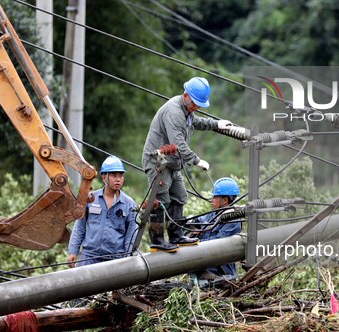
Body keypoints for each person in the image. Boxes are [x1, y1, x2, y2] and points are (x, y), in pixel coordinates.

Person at [142, 77, 232, 252]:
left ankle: (176, 235)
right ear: (185, 95)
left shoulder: (187, 111)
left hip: (173, 163)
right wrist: (197, 161)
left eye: (199, 104)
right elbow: (179, 145)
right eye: (195, 104)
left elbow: (196, 122)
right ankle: (157, 240)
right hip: (158, 163)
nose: (196, 107)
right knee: (160, 200)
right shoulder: (174, 113)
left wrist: (216, 124)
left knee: (180, 196)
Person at [67, 156, 137, 267]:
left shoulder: (129, 204)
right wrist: (72, 251)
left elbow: (131, 234)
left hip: (115, 260)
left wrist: (128, 259)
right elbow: (79, 226)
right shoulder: (90, 198)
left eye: (121, 176)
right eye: (114, 175)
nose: (118, 179)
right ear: (104, 177)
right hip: (89, 257)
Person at [193, 177, 242, 281]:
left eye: (214, 197)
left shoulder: (233, 220)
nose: (211, 200)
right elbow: (201, 220)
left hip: (221, 273)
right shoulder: (214, 214)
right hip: (206, 267)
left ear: (224, 200)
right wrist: (193, 223)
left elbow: (218, 242)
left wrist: (196, 242)